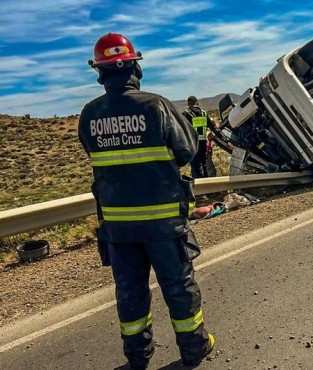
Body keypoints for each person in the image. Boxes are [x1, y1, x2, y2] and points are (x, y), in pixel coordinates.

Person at [78, 33, 214, 369]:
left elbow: (92, 152)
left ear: (101, 72)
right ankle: (194, 348)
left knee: (130, 292)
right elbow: (187, 151)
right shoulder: (156, 105)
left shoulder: (89, 114)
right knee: (178, 287)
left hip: (119, 227)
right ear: (134, 68)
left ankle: (137, 357)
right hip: (164, 222)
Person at [183, 96, 217, 178]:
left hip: (193, 144)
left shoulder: (186, 114)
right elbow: (213, 126)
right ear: (197, 103)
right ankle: (207, 185)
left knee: (196, 167)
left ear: (188, 104)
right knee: (204, 165)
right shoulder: (204, 113)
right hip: (203, 144)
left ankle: (199, 186)